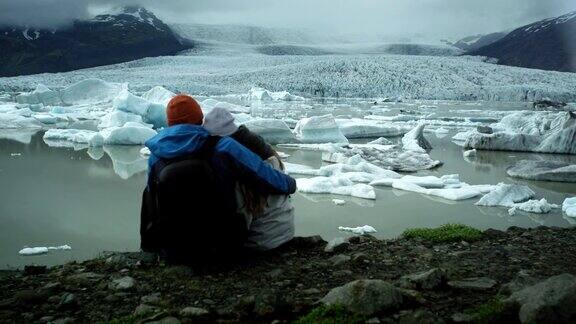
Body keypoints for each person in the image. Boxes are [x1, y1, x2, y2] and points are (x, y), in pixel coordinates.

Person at [141, 95, 296, 262]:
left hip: (174, 248)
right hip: (221, 246)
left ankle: (150, 249)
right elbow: (262, 173)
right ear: (200, 119)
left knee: (148, 192)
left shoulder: (156, 156)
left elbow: (151, 204)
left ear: (169, 122)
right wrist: (290, 183)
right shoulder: (221, 145)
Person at [203, 107, 295, 251]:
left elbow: (239, 213)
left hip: (260, 240)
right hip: (284, 233)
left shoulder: (240, 164)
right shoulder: (263, 151)